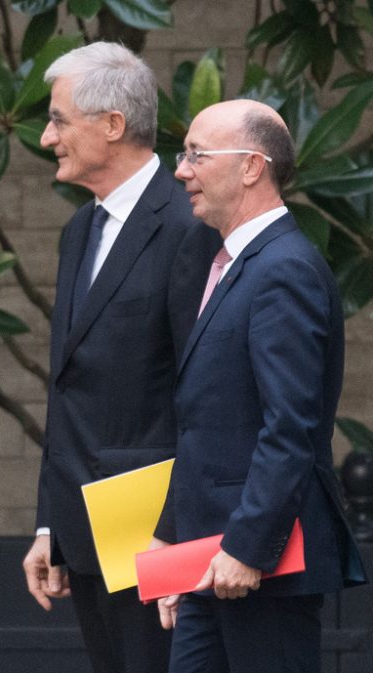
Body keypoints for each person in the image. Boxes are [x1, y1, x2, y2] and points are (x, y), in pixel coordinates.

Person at [21, 42, 218, 673]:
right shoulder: (81, 229)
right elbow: (70, 388)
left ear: (112, 125)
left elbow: (204, 390)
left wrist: (175, 530)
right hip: (82, 529)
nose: (48, 136)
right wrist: (50, 524)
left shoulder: (191, 226)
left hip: (160, 530)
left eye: (58, 119)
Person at [154, 98, 368, 672]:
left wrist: (248, 547)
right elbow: (210, 423)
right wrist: (171, 538)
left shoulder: (285, 268)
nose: (181, 171)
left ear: (251, 166)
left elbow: (289, 427)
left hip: (261, 565)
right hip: (208, 559)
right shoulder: (232, 264)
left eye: (197, 155)